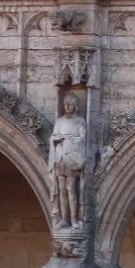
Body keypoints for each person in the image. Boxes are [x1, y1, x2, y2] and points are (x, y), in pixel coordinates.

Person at [49, 92, 87, 230]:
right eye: (65, 104)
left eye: (70, 104)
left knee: (71, 189)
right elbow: (53, 137)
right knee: (61, 190)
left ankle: (74, 219)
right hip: (60, 158)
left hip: (72, 159)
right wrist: (56, 138)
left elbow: (83, 139)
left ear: (75, 105)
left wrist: (69, 138)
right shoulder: (60, 121)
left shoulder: (80, 121)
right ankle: (64, 219)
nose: (67, 107)